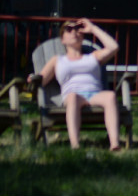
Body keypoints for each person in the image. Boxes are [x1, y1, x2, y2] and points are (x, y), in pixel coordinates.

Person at [27, 19, 121, 150]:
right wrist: (33, 78)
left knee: (110, 95)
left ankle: (114, 144)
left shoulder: (93, 56)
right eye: (69, 30)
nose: (74, 32)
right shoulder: (58, 60)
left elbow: (114, 47)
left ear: (82, 36)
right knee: (72, 97)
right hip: (73, 96)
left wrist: (93, 28)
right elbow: (41, 79)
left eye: (77, 30)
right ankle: (75, 145)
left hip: (95, 95)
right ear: (62, 40)